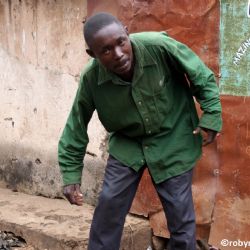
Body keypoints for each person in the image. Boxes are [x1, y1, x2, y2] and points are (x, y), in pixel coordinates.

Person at [58, 12, 222, 250]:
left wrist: (212, 114)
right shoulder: (91, 78)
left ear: (126, 32)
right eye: (105, 51)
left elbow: (202, 76)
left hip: (173, 135)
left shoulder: (159, 46)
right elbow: (76, 125)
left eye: (120, 42)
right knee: (109, 206)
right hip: (128, 142)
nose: (118, 54)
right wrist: (71, 175)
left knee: (180, 216)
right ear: (92, 55)